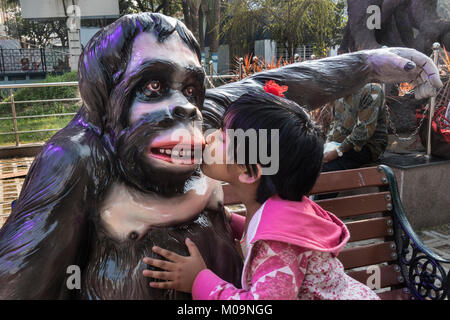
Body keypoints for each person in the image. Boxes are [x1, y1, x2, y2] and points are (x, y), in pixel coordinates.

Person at [142, 87, 380, 300]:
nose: (211, 137)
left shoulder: (279, 245)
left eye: (223, 135)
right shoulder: (279, 208)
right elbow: (261, 232)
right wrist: (229, 220)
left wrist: (199, 281)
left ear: (249, 171)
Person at [322, 83, 388, 172]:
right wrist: (328, 146)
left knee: (323, 170)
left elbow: (363, 132)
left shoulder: (371, 89)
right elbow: (336, 123)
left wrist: (337, 152)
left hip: (367, 145)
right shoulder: (339, 91)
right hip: (343, 144)